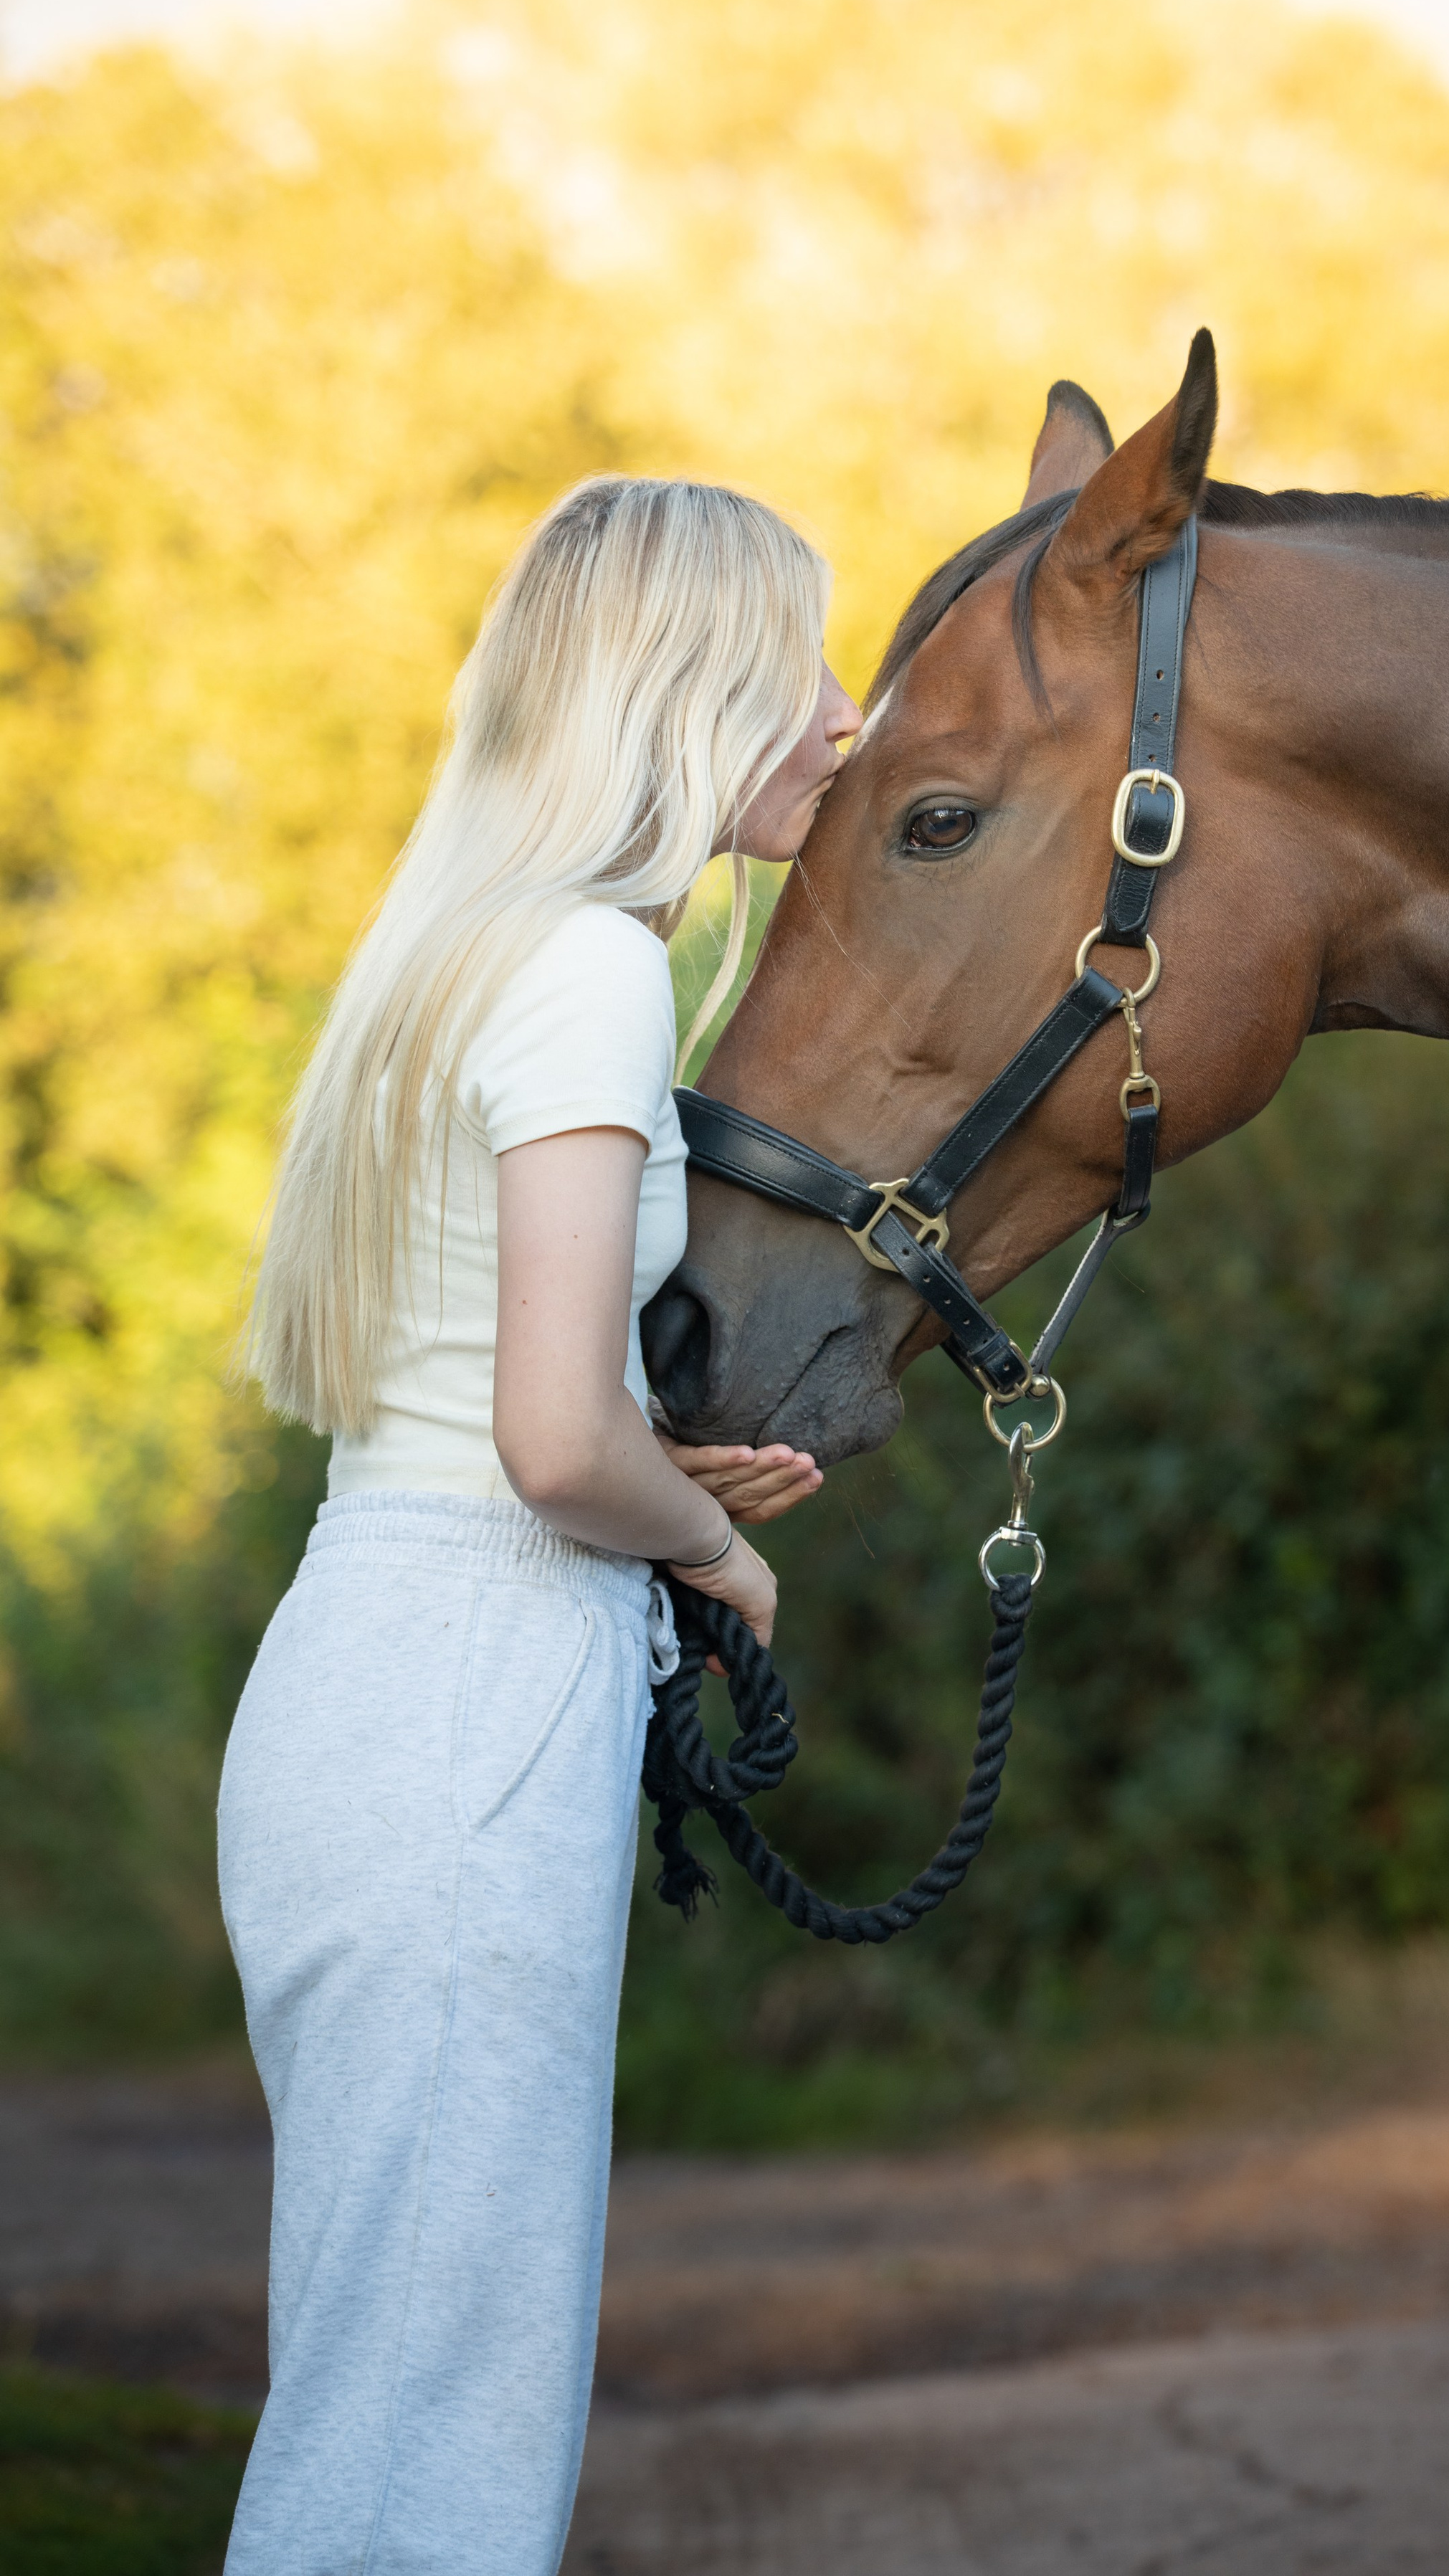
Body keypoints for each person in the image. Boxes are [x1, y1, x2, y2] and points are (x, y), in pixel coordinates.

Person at [222, 473, 860, 2573]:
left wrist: (662, 1475)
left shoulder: (459, 945)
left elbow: (540, 1404)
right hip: (475, 1697)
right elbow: (550, 1450)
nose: (844, 719)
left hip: (368, 1667)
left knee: (382, 2391)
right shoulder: (588, 970)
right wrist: (715, 1546)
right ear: (695, 692)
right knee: (438, 2437)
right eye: (804, 669)